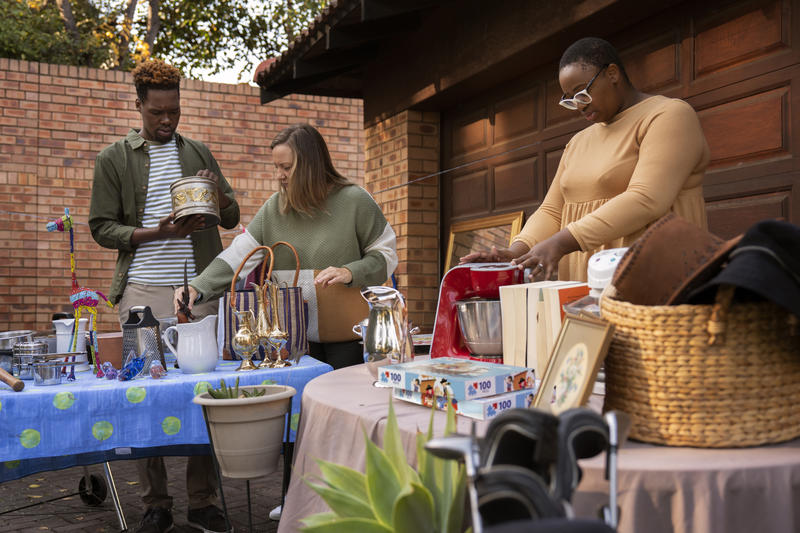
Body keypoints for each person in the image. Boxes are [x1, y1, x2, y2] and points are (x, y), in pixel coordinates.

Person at [88, 59, 239, 533]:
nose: (167, 120)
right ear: (139, 106)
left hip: (198, 290)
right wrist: (156, 232)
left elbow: (232, 216)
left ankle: (203, 501)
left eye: (174, 110)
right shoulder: (114, 158)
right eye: (157, 113)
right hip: (141, 290)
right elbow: (100, 227)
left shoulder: (198, 151)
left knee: (207, 391)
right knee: (142, 393)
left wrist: (214, 196)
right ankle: (156, 504)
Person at [461, 37, 709, 282]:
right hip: (585, 286)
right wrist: (517, 251)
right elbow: (552, 211)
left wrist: (562, 241)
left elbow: (647, 199)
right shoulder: (578, 142)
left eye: (582, 93)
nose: (579, 106)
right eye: (570, 99)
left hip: (654, 278)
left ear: (612, 73)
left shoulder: (668, 116)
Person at [176, 123, 398, 370]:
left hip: (348, 337)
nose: (279, 175)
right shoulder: (274, 207)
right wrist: (197, 287)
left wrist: (350, 272)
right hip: (292, 340)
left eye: (287, 167)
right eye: (276, 167)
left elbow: (386, 256)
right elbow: (240, 254)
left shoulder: (355, 200)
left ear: (311, 166)